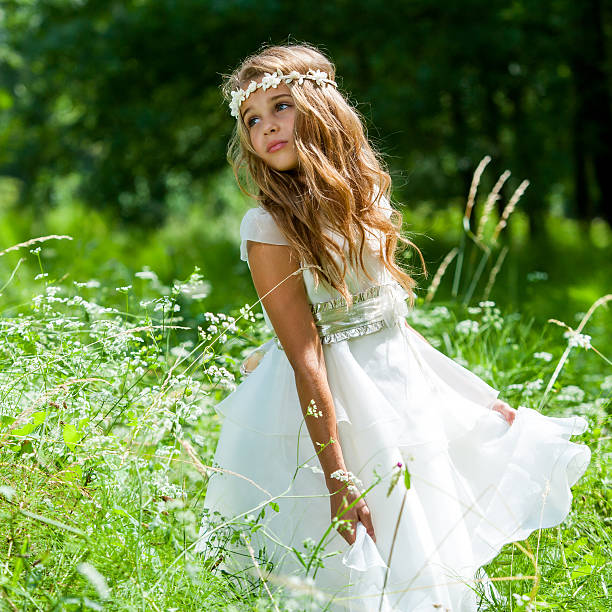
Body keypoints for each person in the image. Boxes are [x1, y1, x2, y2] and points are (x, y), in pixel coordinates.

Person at [195, 43, 591, 611]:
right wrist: (338, 479)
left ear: (320, 106)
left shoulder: (366, 197)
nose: (265, 127)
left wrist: (475, 397)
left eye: (280, 106)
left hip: (397, 393)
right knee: (348, 566)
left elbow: (394, 326)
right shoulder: (267, 225)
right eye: (251, 119)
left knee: (418, 549)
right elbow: (307, 358)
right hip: (330, 410)